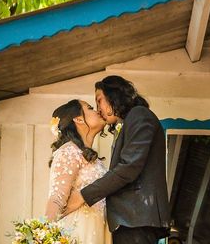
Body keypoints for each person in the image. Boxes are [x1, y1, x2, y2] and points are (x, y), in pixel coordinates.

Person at [64, 75, 169, 244]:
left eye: (99, 101)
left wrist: (83, 196)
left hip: (136, 218)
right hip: (130, 219)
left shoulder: (139, 115)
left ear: (114, 96)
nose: (98, 109)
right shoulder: (130, 121)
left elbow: (128, 168)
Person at [45, 99, 107, 244]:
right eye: (90, 108)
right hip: (78, 234)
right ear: (78, 119)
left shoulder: (93, 159)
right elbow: (57, 197)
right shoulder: (69, 151)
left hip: (99, 233)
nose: (97, 111)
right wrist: (44, 234)